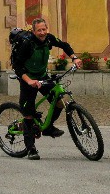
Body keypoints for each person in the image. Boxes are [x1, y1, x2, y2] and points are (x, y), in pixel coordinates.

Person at [11, 17, 83, 160]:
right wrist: (29, 80)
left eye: (44, 29)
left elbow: (64, 45)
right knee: (29, 114)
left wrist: (74, 58)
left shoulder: (49, 39)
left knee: (59, 101)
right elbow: (17, 67)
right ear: (33, 31)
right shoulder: (27, 43)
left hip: (42, 76)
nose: (42, 33)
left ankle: (48, 127)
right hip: (27, 78)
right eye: (39, 30)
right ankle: (31, 149)